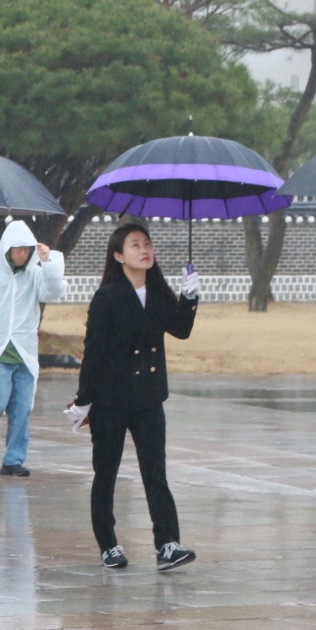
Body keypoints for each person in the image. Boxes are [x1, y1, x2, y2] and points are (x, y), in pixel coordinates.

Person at [66, 221, 200, 573]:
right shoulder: (108, 297)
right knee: (106, 473)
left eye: (147, 244)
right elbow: (93, 352)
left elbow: (181, 330)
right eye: (135, 244)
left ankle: (167, 544)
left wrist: (189, 297)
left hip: (149, 400)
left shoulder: (157, 295)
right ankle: (108, 544)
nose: (145, 250)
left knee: (156, 472)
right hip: (111, 400)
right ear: (118, 255)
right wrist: (84, 400)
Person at [0, 220, 66, 476]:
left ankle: (13, 460)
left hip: (24, 353)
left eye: (27, 249)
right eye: (19, 248)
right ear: (7, 248)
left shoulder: (34, 274)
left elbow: (53, 292)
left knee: (22, 408)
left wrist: (48, 262)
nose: (23, 253)